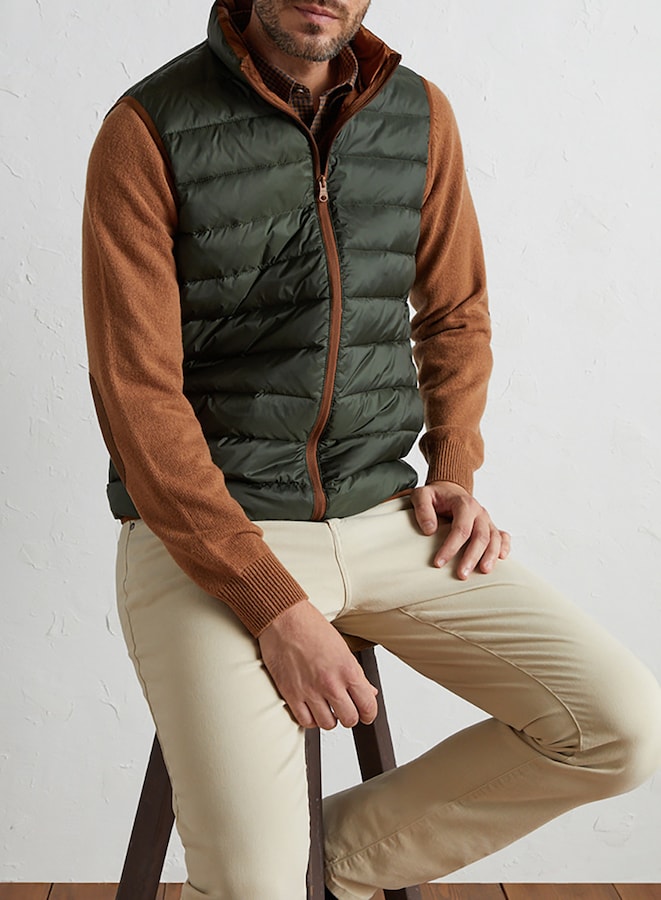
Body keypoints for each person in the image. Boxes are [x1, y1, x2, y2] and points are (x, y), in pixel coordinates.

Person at [82, 1, 661, 897]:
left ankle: (322, 869)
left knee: (620, 728)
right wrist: (271, 603)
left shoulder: (418, 114)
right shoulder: (148, 128)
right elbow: (137, 397)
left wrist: (454, 469)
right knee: (252, 888)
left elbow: (455, 312)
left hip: (384, 514)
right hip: (206, 535)